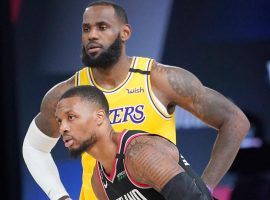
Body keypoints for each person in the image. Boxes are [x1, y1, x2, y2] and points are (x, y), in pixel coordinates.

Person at [22, 1, 250, 200]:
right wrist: (59, 196)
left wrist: (204, 188)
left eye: (102, 27)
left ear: (125, 32)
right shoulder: (67, 94)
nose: (92, 35)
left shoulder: (159, 79)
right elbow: (34, 147)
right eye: (86, 28)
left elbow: (235, 120)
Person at [55, 85, 214, 200]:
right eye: (59, 121)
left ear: (99, 117)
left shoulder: (139, 153)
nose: (63, 128)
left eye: (71, 117)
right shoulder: (98, 180)